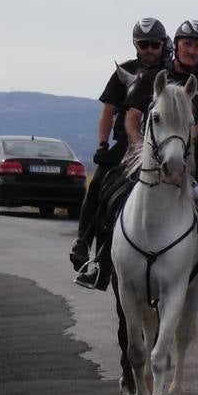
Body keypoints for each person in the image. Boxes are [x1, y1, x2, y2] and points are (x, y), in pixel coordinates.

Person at [77, 20, 198, 306]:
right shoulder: (152, 77)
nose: (191, 50)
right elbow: (131, 117)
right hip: (149, 157)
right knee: (110, 197)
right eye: (187, 44)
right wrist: (140, 145)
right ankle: (100, 262)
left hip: (191, 159)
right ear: (176, 44)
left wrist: (180, 144)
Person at [70, 18, 169, 272]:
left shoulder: (172, 71)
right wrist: (102, 144)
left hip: (165, 143)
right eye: (143, 44)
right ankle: (84, 241)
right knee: (99, 185)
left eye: (154, 44)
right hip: (126, 143)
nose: (149, 49)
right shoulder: (123, 72)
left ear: (163, 43)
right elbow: (108, 111)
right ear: (136, 44)